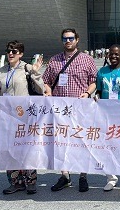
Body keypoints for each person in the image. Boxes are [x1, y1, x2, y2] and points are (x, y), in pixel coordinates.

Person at [42, 28, 98, 192]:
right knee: (61, 142)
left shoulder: (87, 60)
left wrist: (87, 92)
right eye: (65, 38)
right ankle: (65, 176)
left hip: (80, 108)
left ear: (77, 40)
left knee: (82, 141)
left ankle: (83, 176)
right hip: (60, 110)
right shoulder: (54, 60)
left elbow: (94, 81)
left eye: (71, 38)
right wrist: (48, 91)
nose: (68, 41)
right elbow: (46, 80)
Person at [0, 40, 45, 195]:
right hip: (6, 116)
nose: (11, 54)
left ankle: (30, 181)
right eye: (9, 51)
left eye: (14, 51)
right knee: (9, 149)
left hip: (24, 116)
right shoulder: (2, 70)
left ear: (21, 54)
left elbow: (41, 88)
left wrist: (35, 73)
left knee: (27, 148)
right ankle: (15, 181)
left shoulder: (27, 68)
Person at [95, 44, 120, 192]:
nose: (113, 56)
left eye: (117, 54)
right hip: (106, 115)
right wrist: (96, 96)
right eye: (111, 54)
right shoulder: (102, 72)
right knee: (108, 147)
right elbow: (99, 90)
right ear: (107, 55)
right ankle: (111, 177)